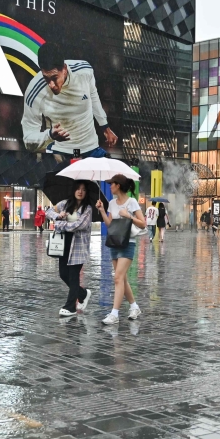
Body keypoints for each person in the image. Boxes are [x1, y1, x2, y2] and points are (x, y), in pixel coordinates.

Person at [21, 42, 118, 161]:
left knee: (119, 178)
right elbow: (28, 140)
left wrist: (105, 128)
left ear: (65, 69)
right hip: (60, 152)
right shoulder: (34, 92)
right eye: (46, 78)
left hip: (91, 149)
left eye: (54, 78)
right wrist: (50, 135)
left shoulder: (85, 72)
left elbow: (93, 97)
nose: (51, 85)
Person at [96, 174, 145, 325]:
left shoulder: (132, 202)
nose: (110, 186)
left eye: (112, 184)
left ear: (118, 185)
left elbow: (143, 224)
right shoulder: (111, 203)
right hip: (114, 242)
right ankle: (134, 307)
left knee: (117, 277)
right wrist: (103, 211)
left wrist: (128, 216)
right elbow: (110, 225)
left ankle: (114, 314)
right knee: (121, 278)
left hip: (127, 243)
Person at [47, 181, 94, 317]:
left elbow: (79, 225)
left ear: (86, 193)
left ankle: (70, 307)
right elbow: (48, 211)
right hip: (64, 245)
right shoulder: (65, 204)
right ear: (74, 190)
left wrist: (60, 224)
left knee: (73, 277)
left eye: (83, 190)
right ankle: (83, 294)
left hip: (78, 247)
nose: (80, 192)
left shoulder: (87, 209)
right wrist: (57, 216)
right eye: (78, 189)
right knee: (63, 274)